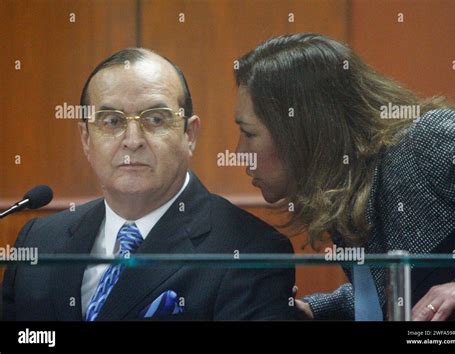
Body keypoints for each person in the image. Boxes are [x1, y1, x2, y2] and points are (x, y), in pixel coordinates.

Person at [2, 48, 295, 321]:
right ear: (86, 139)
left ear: (189, 135)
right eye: (112, 122)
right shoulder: (39, 240)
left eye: (155, 119)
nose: (132, 140)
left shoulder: (251, 252)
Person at [233, 33, 455, 321]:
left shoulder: (426, 140)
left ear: (301, 130)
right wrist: (315, 311)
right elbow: (393, 293)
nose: (239, 153)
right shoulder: (349, 186)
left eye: (249, 134)